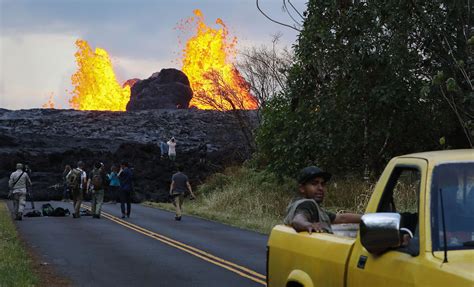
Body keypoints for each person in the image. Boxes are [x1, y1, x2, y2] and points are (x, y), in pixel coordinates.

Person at [284, 166, 362, 234]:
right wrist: (308, 225)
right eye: (314, 184)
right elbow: (298, 220)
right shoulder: (307, 204)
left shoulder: (309, 208)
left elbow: (342, 218)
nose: (320, 188)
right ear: (302, 188)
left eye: (323, 184)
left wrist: (367, 218)